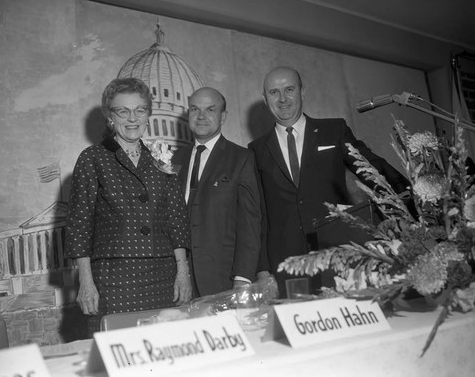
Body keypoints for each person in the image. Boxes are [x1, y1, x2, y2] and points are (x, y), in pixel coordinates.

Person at [249, 66, 410, 298]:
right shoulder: (256, 150)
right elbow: (259, 215)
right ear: (265, 99)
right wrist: (262, 269)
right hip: (287, 261)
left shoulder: (333, 130)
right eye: (274, 92)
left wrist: (411, 197)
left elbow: (373, 168)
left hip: (337, 251)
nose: (283, 98)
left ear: (302, 91)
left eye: (289, 89)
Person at [65, 77, 191, 336]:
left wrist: (183, 271)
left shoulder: (160, 158)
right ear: (109, 116)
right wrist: (86, 281)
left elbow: (176, 219)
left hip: (163, 278)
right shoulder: (92, 158)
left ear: (148, 115)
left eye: (140, 110)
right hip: (114, 280)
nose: (132, 118)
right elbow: (79, 225)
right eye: (123, 111)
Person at [172, 87, 262, 297]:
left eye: (210, 110)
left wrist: (243, 278)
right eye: (195, 109)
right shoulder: (173, 159)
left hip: (223, 279)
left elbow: (250, 223)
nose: (201, 116)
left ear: (223, 116)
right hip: (177, 280)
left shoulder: (241, 158)